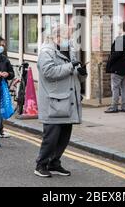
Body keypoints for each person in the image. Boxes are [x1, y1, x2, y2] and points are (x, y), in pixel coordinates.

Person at [35, 25, 87, 178]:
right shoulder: (46, 52)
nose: (70, 39)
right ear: (57, 37)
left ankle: (54, 163)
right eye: (68, 36)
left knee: (64, 137)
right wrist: (71, 66)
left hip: (68, 101)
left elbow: (74, 74)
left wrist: (82, 73)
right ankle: (41, 164)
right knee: (51, 138)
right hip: (54, 102)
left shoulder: (69, 51)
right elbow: (49, 72)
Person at [104, 22, 125, 113]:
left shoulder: (120, 40)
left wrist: (110, 63)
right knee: (124, 87)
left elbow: (116, 55)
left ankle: (114, 107)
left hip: (117, 68)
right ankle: (124, 106)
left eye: (118, 28)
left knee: (115, 88)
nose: (117, 30)